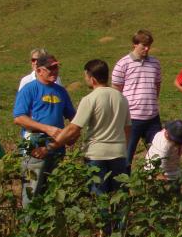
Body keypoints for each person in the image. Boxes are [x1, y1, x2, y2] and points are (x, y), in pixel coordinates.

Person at [32, 60, 131, 196]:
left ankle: (102, 218)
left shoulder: (90, 99)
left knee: (99, 196)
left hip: (97, 154)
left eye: (86, 76)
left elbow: (73, 128)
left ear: (92, 79)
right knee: (119, 196)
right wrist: (123, 148)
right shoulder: (121, 98)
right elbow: (127, 128)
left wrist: (49, 147)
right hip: (119, 154)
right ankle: (120, 218)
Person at [13, 54, 75, 207]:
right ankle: (29, 228)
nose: (54, 71)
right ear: (39, 70)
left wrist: (71, 134)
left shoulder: (61, 91)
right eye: (50, 68)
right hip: (34, 145)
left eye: (56, 67)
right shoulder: (29, 89)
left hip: (57, 146)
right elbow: (19, 118)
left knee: (53, 193)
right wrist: (46, 128)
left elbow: (73, 117)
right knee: (31, 192)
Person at [112, 30, 162, 165]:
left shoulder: (155, 63)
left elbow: (157, 85)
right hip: (131, 118)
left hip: (152, 118)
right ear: (135, 44)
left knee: (158, 156)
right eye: (143, 45)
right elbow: (117, 90)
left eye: (149, 46)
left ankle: (154, 184)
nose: (147, 49)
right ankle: (123, 185)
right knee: (126, 156)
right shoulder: (123, 64)